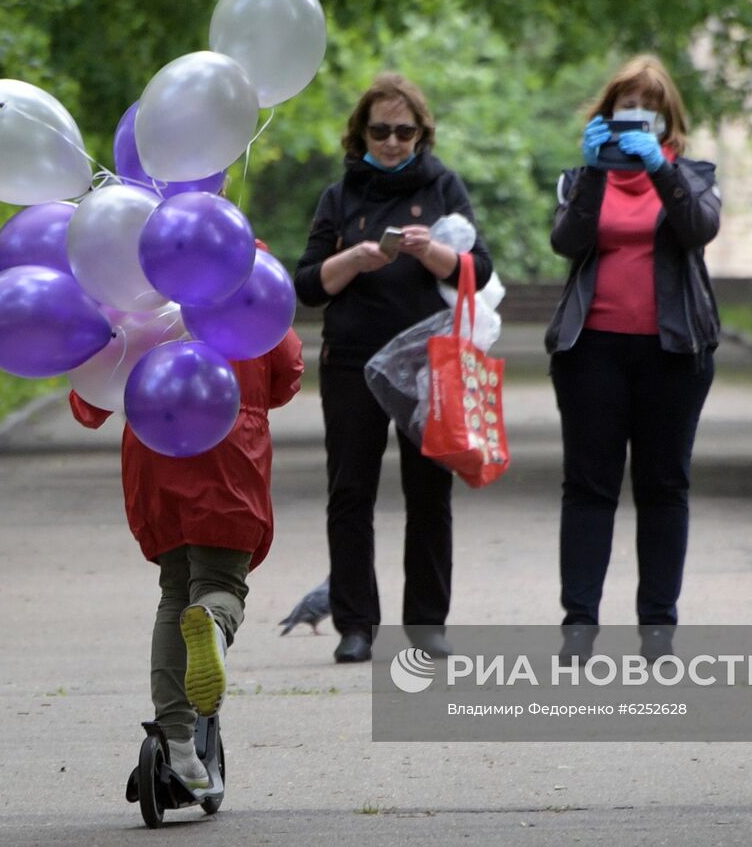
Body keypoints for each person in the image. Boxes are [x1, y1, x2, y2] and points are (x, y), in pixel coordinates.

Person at [295, 73, 493, 664]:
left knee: (429, 494)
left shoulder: (442, 187)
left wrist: (430, 251)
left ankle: (428, 623)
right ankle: (356, 625)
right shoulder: (339, 197)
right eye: (379, 130)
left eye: (403, 131)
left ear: (420, 134)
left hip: (428, 364)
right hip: (352, 362)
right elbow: (307, 286)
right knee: (349, 493)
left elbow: (477, 272)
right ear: (360, 134)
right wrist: (355, 257)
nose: (391, 141)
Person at [69, 311, 303, 794]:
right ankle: (213, 626)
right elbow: (286, 373)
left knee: (174, 591)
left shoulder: (133, 289)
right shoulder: (247, 276)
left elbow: (88, 401)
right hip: (229, 446)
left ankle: (177, 744)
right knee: (220, 584)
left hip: (154, 451)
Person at [544, 55, 722, 660]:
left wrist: (660, 172)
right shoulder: (578, 178)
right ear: (606, 118)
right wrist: (596, 172)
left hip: (673, 354)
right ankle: (579, 625)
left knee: (663, 485)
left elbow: (698, 229)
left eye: (647, 112)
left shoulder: (693, 176)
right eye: (624, 111)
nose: (634, 121)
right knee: (589, 487)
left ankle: (657, 628)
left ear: (667, 123)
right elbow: (568, 241)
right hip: (591, 351)